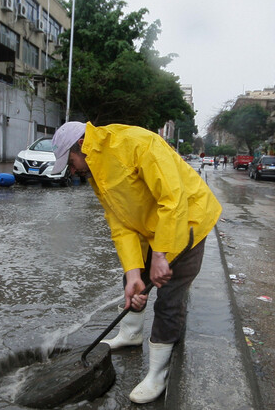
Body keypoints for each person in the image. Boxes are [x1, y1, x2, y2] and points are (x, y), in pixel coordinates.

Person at [50, 121, 222, 404]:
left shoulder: (137, 144)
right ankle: (130, 334)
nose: (72, 170)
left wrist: (160, 255)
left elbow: (173, 199)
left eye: (70, 162)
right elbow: (120, 224)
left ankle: (158, 372)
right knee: (133, 281)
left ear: (82, 145)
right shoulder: (97, 171)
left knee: (168, 297)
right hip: (152, 228)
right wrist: (133, 273)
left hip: (188, 220)